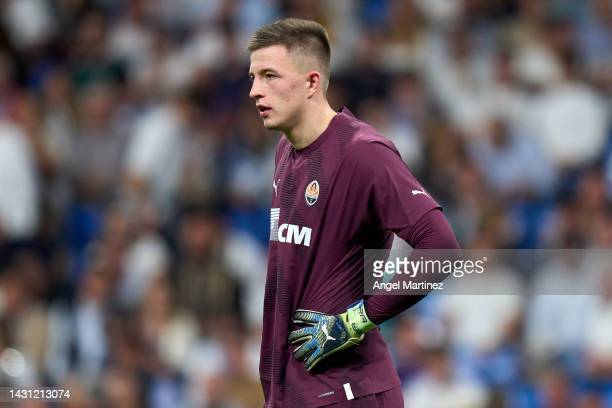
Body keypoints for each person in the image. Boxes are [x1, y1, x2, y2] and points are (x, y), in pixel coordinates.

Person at [248, 18, 459, 407]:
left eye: (269, 76)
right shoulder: (285, 152)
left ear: (312, 83)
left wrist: (356, 320)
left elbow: (441, 247)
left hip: (349, 392)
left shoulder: (363, 152)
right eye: (253, 77)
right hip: (295, 391)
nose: (254, 90)